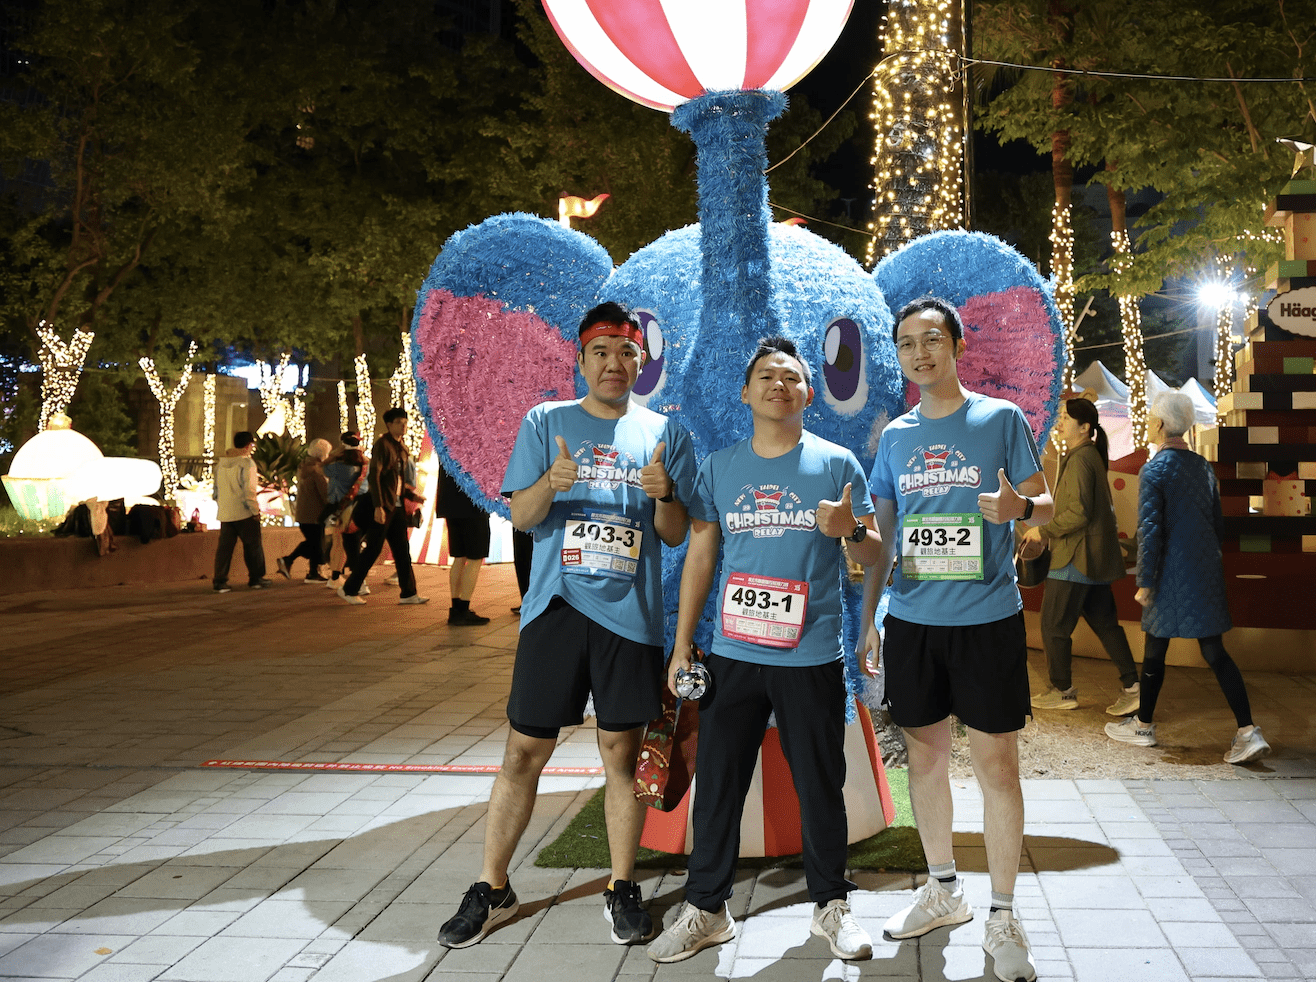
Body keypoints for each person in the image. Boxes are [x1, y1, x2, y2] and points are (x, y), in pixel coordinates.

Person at [437, 302, 696, 952]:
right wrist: (551, 483)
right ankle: (491, 886)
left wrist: (665, 493)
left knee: (621, 755)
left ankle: (622, 886)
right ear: (581, 361)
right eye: (601, 352)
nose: (614, 363)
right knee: (523, 752)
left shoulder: (665, 433)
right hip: (555, 610)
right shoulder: (545, 421)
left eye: (626, 352)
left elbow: (673, 534)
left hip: (630, 619)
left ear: (641, 362)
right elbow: (523, 517)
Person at [649, 337, 882, 965]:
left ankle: (832, 905)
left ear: (808, 393)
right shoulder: (719, 467)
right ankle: (707, 908)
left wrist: (851, 529)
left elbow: (873, 553)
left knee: (820, 784)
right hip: (732, 655)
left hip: (810, 658)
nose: (780, 384)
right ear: (746, 392)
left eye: (792, 377)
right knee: (718, 784)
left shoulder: (837, 464)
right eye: (767, 376)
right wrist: (682, 645)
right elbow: (701, 554)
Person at [858, 296, 1054, 982]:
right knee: (925, 760)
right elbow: (882, 540)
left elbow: (1046, 504)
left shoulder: (1000, 419)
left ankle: (1003, 912)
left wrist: (1020, 508)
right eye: (907, 344)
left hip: (987, 621)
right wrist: (868, 621)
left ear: (957, 345)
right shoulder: (895, 437)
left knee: (998, 768)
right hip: (913, 623)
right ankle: (944, 889)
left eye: (932, 339)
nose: (920, 353)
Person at [1106, 392, 1270, 765]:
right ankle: (1247, 730)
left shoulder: (1155, 470)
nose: (1148, 423)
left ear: (1160, 424)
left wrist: (1145, 581)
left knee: (1155, 649)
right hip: (1204, 570)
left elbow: (1150, 532)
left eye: (1151, 417)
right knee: (1213, 650)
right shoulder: (1202, 467)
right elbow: (1217, 523)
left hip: (1168, 574)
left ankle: (1143, 726)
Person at [1023, 396, 1141, 716]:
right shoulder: (1087, 456)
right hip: (1091, 558)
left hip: (1074, 557)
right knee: (1106, 625)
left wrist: (1043, 532)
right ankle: (1133, 687)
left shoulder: (1080, 459)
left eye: (1065, 417)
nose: (1059, 422)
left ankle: (1062, 691)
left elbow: (1078, 513)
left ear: (1084, 427)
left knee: (1053, 625)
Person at [339, 408, 426, 605]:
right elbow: (375, 476)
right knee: (373, 549)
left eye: (405, 422)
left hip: (396, 507)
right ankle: (349, 589)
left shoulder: (401, 447)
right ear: (389, 425)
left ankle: (409, 593)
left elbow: (399, 480)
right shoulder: (382, 445)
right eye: (399, 422)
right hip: (384, 505)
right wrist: (378, 506)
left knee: (402, 550)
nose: (403, 426)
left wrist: (412, 496)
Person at [212, 430, 269, 592]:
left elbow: (215, 491)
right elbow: (249, 490)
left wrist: (222, 504)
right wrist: (254, 510)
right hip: (244, 513)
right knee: (253, 546)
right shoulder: (247, 464)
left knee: (224, 549)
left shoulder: (220, 464)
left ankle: (220, 581)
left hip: (226, 512)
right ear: (248, 446)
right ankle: (256, 578)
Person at [436, 466, 493, 626]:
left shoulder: (445, 448)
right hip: (472, 504)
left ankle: (455, 609)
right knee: (475, 558)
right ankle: (464, 608)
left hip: (449, 503)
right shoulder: (474, 448)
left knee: (459, 557)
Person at [279, 438, 333, 583]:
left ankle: (312, 572)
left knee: (314, 543)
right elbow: (324, 493)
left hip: (303, 513)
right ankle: (291, 561)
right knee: (316, 544)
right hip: (315, 513)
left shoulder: (303, 467)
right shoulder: (317, 471)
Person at [325, 431, 369, 583]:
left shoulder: (336, 466)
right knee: (354, 543)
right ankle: (355, 577)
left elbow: (322, 468)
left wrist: (334, 455)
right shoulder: (365, 465)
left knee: (339, 543)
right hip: (360, 507)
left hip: (341, 508)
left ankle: (336, 576)